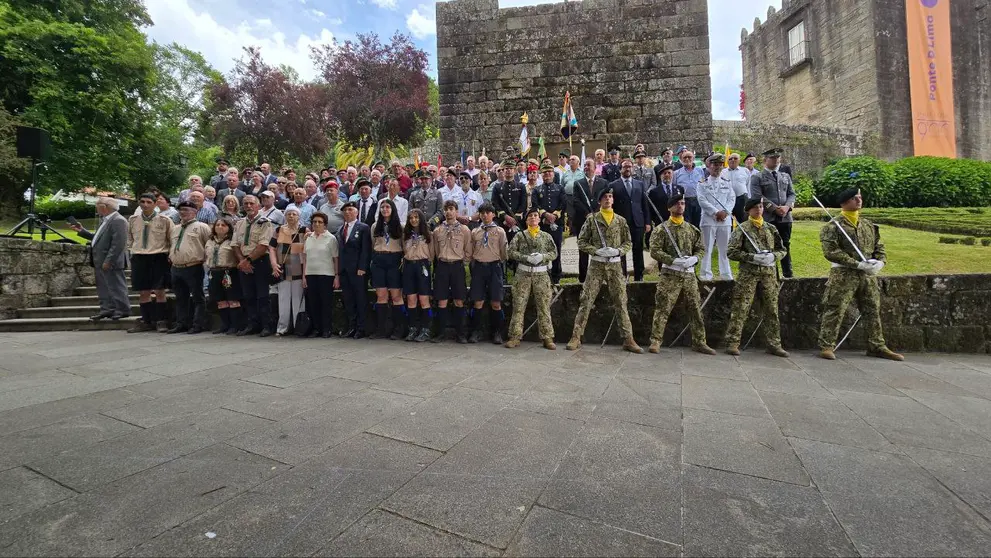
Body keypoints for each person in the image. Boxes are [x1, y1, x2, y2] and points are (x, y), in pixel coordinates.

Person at [817, 188, 903, 361]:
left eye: (860, 197)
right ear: (844, 202)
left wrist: (880, 262)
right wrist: (856, 264)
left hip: (868, 276)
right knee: (835, 309)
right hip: (843, 274)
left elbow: (879, 247)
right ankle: (827, 345)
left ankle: (876, 345)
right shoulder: (833, 226)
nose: (858, 200)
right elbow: (831, 251)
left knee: (872, 309)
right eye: (854, 198)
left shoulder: (869, 225)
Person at [567, 188, 642, 354]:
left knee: (621, 301)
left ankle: (628, 338)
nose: (608, 199)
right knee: (586, 300)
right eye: (604, 197)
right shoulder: (592, 219)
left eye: (610, 197)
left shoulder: (620, 220)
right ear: (599, 201)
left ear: (613, 200)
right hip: (597, 264)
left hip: (615, 265)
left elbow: (628, 242)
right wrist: (596, 251)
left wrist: (618, 251)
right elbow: (582, 241)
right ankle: (576, 336)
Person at [646, 194, 715, 355]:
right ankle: (655, 340)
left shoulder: (692, 229)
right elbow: (655, 251)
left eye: (683, 203)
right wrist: (672, 260)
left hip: (689, 275)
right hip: (670, 274)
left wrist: (693, 259)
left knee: (695, 309)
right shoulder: (661, 229)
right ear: (669, 208)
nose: (680, 206)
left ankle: (699, 341)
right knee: (663, 308)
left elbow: (701, 249)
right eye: (677, 203)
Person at [724, 198, 788, 357]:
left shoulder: (770, 228)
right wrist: (752, 257)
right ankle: (733, 342)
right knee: (741, 308)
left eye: (760, 206)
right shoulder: (741, 229)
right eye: (754, 207)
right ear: (748, 211)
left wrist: (774, 256)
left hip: (769, 274)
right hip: (748, 274)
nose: (758, 209)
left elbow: (782, 249)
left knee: (771, 309)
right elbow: (731, 252)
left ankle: (774, 344)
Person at [504, 208, 558, 349]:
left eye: (535, 216)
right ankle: (515, 336)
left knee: (544, 306)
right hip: (523, 274)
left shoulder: (546, 236)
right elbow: (510, 251)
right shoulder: (520, 236)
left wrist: (543, 257)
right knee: (519, 306)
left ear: (539, 219)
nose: (533, 218)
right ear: (526, 220)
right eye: (530, 216)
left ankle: (547, 337)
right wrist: (525, 257)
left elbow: (554, 253)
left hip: (541, 274)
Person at [69, 197, 130, 321]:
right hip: (99, 260)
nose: (96, 208)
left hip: (111, 261)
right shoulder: (105, 220)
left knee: (116, 286)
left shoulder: (118, 220)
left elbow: (118, 243)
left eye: (97, 205)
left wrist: (109, 260)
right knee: (103, 287)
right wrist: (82, 231)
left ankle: (122, 309)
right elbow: (98, 238)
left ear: (104, 207)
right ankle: (106, 309)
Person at [126, 193, 173, 333]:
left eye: (148, 202)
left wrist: (169, 255)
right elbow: (129, 237)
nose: (145, 205)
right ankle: (146, 321)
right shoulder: (133, 219)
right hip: (140, 256)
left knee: (159, 290)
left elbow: (171, 238)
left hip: (158, 256)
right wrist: (132, 249)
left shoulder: (164, 220)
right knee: (143, 291)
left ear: (155, 204)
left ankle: (161, 320)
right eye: (142, 201)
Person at [232, 195, 276, 337]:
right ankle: (252, 324)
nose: (249, 206)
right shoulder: (239, 223)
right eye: (246, 204)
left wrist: (248, 261)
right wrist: (242, 261)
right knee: (248, 295)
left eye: (251, 203)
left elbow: (263, 245)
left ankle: (266, 326)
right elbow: (235, 244)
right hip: (243, 262)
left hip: (260, 262)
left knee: (262, 296)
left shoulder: (265, 222)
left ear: (258, 206)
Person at [749, 148, 797, 279]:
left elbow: (792, 194)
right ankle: (772, 275)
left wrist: (787, 207)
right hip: (769, 217)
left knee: (785, 244)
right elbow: (757, 196)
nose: (776, 160)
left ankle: (788, 274)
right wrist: (775, 208)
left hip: (785, 217)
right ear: (765, 160)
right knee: (769, 246)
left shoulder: (785, 176)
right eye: (772, 158)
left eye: (778, 158)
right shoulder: (757, 177)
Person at [431, 200, 472, 343]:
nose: (448, 212)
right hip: (442, 265)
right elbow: (435, 251)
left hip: (457, 266)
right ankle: (441, 332)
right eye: (446, 209)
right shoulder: (437, 231)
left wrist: (463, 262)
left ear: (456, 211)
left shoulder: (464, 230)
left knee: (459, 300)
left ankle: (460, 333)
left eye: (451, 209)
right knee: (441, 300)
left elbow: (468, 250)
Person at [467, 203, 508, 344]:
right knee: (477, 301)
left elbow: (504, 252)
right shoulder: (475, 232)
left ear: (493, 214)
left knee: (496, 302)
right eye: (482, 213)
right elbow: (471, 251)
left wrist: (496, 261)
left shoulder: (500, 231)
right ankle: (476, 331)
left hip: (494, 267)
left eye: (488, 212)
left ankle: (497, 332)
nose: (485, 215)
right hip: (479, 267)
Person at [167, 201, 211, 334]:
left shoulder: (202, 227)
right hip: (176, 267)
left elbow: (208, 245)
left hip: (193, 266)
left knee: (198, 297)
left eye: (186, 210)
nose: (182, 212)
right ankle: (182, 323)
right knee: (180, 297)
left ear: (195, 211)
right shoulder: (175, 228)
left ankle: (198, 324)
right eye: (180, 210)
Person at [608, 156, 650, 281]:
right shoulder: (613, 185)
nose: (628, 169)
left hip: (638, 222)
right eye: (625, 167)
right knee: (621, 251)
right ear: (620, 169)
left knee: (638, 250)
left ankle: (639, 276)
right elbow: (611, 206)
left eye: (630, 167)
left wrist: (647, 222)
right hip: (621, 224)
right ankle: (622, 276)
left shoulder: (640, 184)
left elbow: (645, 204)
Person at [369, 199, 406, 340]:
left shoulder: (400, 226)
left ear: (393, 209)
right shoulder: (374, 226)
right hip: (379, 260)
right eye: (382, 207)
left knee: (396, 296)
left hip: (394, 260)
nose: (385, 209)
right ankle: (381, 329)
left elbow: (403, 245)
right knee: (381, 296)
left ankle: (399, 328)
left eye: (387, 207)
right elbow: (373, 244)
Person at [269, 207, 307, 336]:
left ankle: (298, 328)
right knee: (283, 300)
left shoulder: (304, 231)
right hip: (282, 268)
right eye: (289, 214)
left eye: (294, 214)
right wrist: (274, 263)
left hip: (299, 268)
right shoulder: (279, 230)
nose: (291, 216)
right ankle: (282, 328)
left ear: (298, 216)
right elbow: (272, 247)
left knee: (298, 300)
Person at [301, 212, 340, 338]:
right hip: (311, 274)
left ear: (325, 225)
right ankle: (316, 328)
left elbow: (335, 259)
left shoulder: (331, 238)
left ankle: (326, 329)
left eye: (320, 222)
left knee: (326, 303)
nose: (317, 224)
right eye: (314, 222)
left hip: (326, 274)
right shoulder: (308, 237)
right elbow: (305, 258)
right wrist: (304, 276)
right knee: (313, 303)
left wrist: (336, 275)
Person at [698, 153, 736, 281]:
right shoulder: (702, 183)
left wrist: (725, 212)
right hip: (709, 220)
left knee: (724, 249)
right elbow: (702, 200)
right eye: (715, 164)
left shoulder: (727, 182)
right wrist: (716, 212)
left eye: (720, 164)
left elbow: (732, 199)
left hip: (725, 220)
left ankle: (726, 274)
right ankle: (705, 275)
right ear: (709, 166)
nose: (717, 167)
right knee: (706, 249)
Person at [337, 201, 372, 338]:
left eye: (350, 209)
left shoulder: (363, 227)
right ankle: (352, 326)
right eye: (345, 210)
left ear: (356, 212)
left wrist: (362, 267)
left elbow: (365, 249)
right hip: (344, 270)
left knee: (360, 298)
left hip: (358, 269)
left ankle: (361, 327)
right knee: (348, 299)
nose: (347, 212)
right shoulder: (341, 229)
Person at [205, 217, 243, 335]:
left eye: (223, 225)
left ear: (229, 228)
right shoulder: (210, 241)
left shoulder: (232, 241)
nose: (220, 227)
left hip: (229, 272)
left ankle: (235, 325)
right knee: (220, 301)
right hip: (214, 271)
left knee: (232, 300)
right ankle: (225, 324)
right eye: (218, 225)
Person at [401, 209, 434, 342]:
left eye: (416, 217)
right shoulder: (406, 235)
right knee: (411, 299)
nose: (414, 220)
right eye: (411, 218)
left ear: (421, 219)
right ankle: (413, 328)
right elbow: (404, 250)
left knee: (424, 299)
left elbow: (432, 253)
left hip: (422, 266)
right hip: (409, 265)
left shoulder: (428, 235)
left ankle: (426, 329)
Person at [531, 162, 566, 284]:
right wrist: (545, 214)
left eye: (549, 172)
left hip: (557, 224)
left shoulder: (560, 188)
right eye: (545, 172)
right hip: (543, 224)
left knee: (556, 249)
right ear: (541, 174)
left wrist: (555, 215)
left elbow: (563, 204)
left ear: (553, 174)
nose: (547, 174)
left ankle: (557, 275)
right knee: (542, 250)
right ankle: (543, 274)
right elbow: (535, 205)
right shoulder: (537, 189)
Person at [571, 158, 603, 283]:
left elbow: (605, 199)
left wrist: (596, 213)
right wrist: (587, 213)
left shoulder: (603, 182)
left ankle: (599, 278)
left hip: (599, 221)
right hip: (582, 221)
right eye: (584, 166)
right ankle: (583, 279)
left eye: (588, 165)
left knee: (599, 249)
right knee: (583, 251)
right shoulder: (578, 183)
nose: (586, 168)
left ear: (595, 168)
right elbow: (575, 200)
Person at [491, 159, 527, 243]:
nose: (508, 170)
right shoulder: (497, 187)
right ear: (503, 171)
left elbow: (523, 204)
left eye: (511, 168)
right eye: (506, 169)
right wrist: (506, 217)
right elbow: (495, 204)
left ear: (514, 171)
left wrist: (515, 219)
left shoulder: (521, 186)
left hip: (518, 223)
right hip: (503, 223)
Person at [672, 150, 704, 227]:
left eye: (689, 157)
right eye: (684, 157)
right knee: (686, 224)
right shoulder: (676, 173)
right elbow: (674, 189)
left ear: (693, 158)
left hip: (698, 201)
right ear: (681, 159)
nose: (687, 159)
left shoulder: (700, 170)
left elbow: (704, 185)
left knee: (698, 223)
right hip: (684, 202)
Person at [722, 153, 751, 225]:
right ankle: (730, 236)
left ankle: (742, 235)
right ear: (727, 161)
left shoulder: (745, 171)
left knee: (743, 221)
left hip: (741, 199)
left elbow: (748, 185)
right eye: (730, 159)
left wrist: (749, 199)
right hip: (727, 200)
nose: (733, 160)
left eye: (735, 158)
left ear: (739, 160)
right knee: (728, 221)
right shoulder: (722, 172)